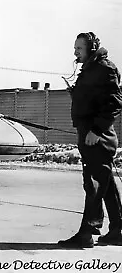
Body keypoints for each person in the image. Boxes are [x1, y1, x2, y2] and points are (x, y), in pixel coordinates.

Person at [58, 32, 122, 248]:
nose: (75, 52)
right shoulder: (90, 69)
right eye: (75, 48)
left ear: (92, 48)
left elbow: (114, 103)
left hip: (98, 137)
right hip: (89, 134)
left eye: (79, 48)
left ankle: (87, 232)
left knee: (94, 184)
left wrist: (96, 130)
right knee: (106, 184)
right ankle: (117, 230)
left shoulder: (105, 68)